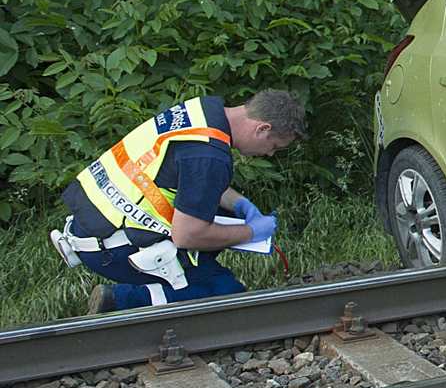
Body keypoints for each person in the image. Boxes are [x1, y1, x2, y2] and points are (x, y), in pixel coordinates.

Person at [50, 90, 305, 313]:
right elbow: (187, 236)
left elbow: (194, 177)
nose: (270, 153)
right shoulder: (209, 156)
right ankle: (121, 299)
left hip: (90, 224)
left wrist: (241, 204)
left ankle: (187, 275)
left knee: (226, 223)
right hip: (111, 249)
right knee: (225, 293)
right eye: (274, 146)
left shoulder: (200, 112)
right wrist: (250, 232)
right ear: (262, 128)